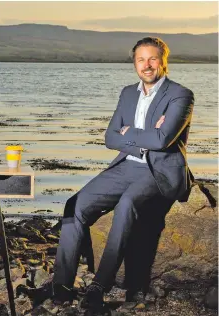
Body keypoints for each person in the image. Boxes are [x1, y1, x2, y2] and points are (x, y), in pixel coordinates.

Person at [37, 37, 195, 309]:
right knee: (74, 205)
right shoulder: (128, 93)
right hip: (126, 166)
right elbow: (110, 138)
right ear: (134, 63)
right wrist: (145, 134)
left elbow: (161, 141)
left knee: (126, 204)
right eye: (140, 60)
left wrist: (130, 132)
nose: (146, 65)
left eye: (152, 59)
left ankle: (100, 285)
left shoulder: (180, 95)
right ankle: (61, 287)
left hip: (159, 171)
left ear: (163, 60)